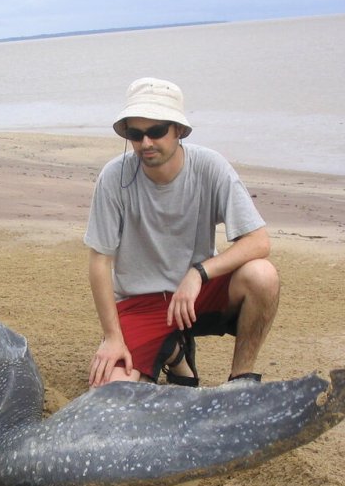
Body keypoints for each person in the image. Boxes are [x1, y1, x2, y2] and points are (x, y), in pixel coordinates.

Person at [85, 78, 279, 388]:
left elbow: (259, 241)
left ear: (179, 130)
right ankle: (175, 352)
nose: (146, 143)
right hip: (140, 302)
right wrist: (112, 337)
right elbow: (99, 261)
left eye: (157, 131)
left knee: (262, 275)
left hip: (197, 295)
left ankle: (241, 381)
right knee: (109, 390)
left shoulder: (210, 167)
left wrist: (198, 273)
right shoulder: (113, 178)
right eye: (136, 134)